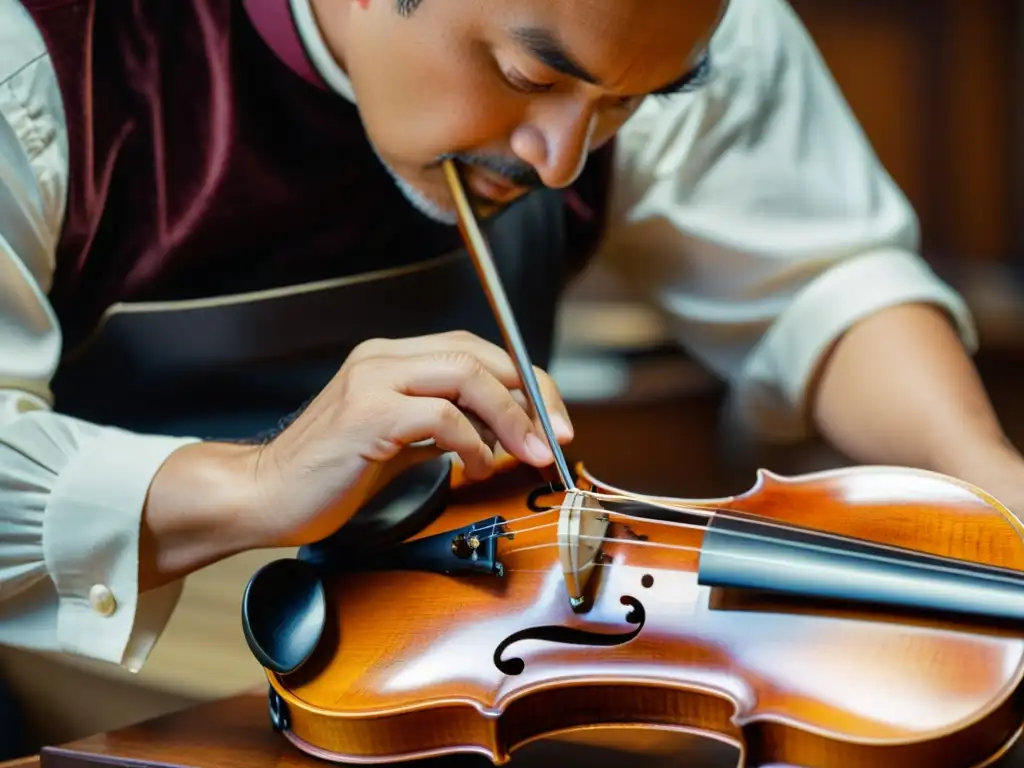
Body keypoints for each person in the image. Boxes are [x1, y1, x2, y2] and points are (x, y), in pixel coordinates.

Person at [0, 0, 1022, 696]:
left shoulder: (659, 23)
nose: (562, 155)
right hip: (96, 685)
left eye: (628, 105)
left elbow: (816, 275)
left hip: (472, 663)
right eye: (527, 75)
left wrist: (984, 483)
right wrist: (257, 484)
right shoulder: (45, 58)